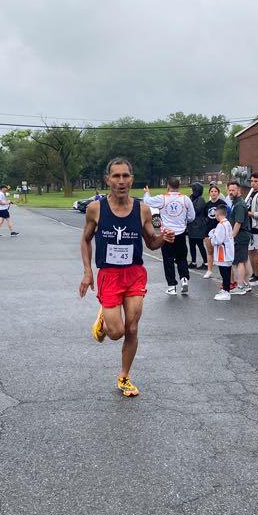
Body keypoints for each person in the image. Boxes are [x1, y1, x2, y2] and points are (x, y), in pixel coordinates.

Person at [79, 157, 175, 397]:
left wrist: (164, 238)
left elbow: (151, 243)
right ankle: (104, 320)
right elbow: (86, 239)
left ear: (131, 179)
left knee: (132, 328)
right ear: (108, 179)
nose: (121, 181)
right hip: (109, 275)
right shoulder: (95, 209)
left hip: (134, 274)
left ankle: (124, 377)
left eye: (125, 176)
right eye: (116, 176)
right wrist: (88, 272)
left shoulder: (143, 209)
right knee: (116, 332)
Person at [143, 178, 195, 294]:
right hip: (180, 232)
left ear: (168, 186)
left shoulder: (163, 198)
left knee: (168, 259)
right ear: (179, 186)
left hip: (167, 234)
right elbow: (192, 216)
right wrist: (183, 221)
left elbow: (147, 201)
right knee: (181, 257)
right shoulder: (185, 199)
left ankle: (172, 286)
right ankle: (184, 278)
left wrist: (147, 193)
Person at [226, 180, 251, 294]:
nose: (231, 192)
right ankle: (245, 284)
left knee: (239, 261)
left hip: (240, 236)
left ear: (239, 190)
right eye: (229, 190)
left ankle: (240, 286)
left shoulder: (239, 204)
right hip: (242, 236)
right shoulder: (236, 203)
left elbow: (238, 222)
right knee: (243, 261)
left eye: (233, 190)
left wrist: (231, 237)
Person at [208, 204, 236, 301]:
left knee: (224, 273)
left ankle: (226, 291)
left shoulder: (221, 225)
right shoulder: (227, 223)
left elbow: (218, 240)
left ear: (217, 214)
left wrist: (212, 236)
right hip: (227, 252)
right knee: (226, 272)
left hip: (222, 253)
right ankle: (225, 290)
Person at [202, 184, 228, 279]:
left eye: (215, 191)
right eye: (212, 191)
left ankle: (224, 271)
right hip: (209, 230)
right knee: (210, 251)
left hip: (220, 230)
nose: (213, 193)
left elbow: (226, 215)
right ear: (209, 193)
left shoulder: (222, 203)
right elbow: (204, 216)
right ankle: (209, 270)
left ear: (218, 193)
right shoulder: (207, 205)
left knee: (221, 251)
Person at [186, 182, 208, 269]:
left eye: (192, 189)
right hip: (191, 226)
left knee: (200, 245)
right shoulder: (191, 198)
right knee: (192, 245)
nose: (191, 190)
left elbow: (196, 210)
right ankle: (193, 262)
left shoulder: (200, 199)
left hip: (198, 225)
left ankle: (206, 262)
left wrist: (188, 207)